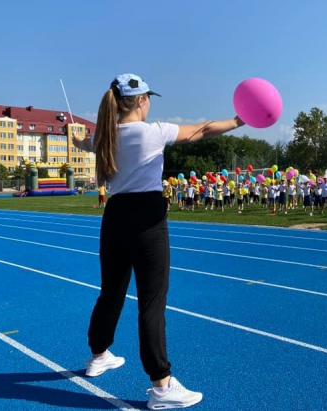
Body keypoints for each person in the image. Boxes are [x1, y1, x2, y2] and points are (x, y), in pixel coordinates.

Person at [72, 73, 244, 410]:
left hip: (115, 217)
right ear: (140, 101)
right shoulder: (154, 132)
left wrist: (76, 139)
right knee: (151, 301)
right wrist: (239, 120)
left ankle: (98, 354)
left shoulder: (104, 136)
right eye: (149, 98)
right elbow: (204, 129)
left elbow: (85, 144)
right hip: (147, 218)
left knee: (111, 291)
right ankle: (161, 386)